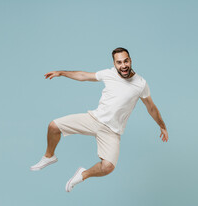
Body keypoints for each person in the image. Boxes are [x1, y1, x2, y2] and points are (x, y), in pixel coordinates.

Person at [30, 47, 168, 192]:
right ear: (114, 64)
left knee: (108, 167)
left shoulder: (140, 83)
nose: (123, 65)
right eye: (119, 62)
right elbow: (83, 75)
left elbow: (151, 107)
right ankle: (49, 156)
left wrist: (162, 125)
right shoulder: (108, 74)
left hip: (112, 131)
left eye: (126, 61)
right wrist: (61, 73)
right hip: (94, 119)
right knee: (53, 126)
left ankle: (82, 175)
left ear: (130, 61)